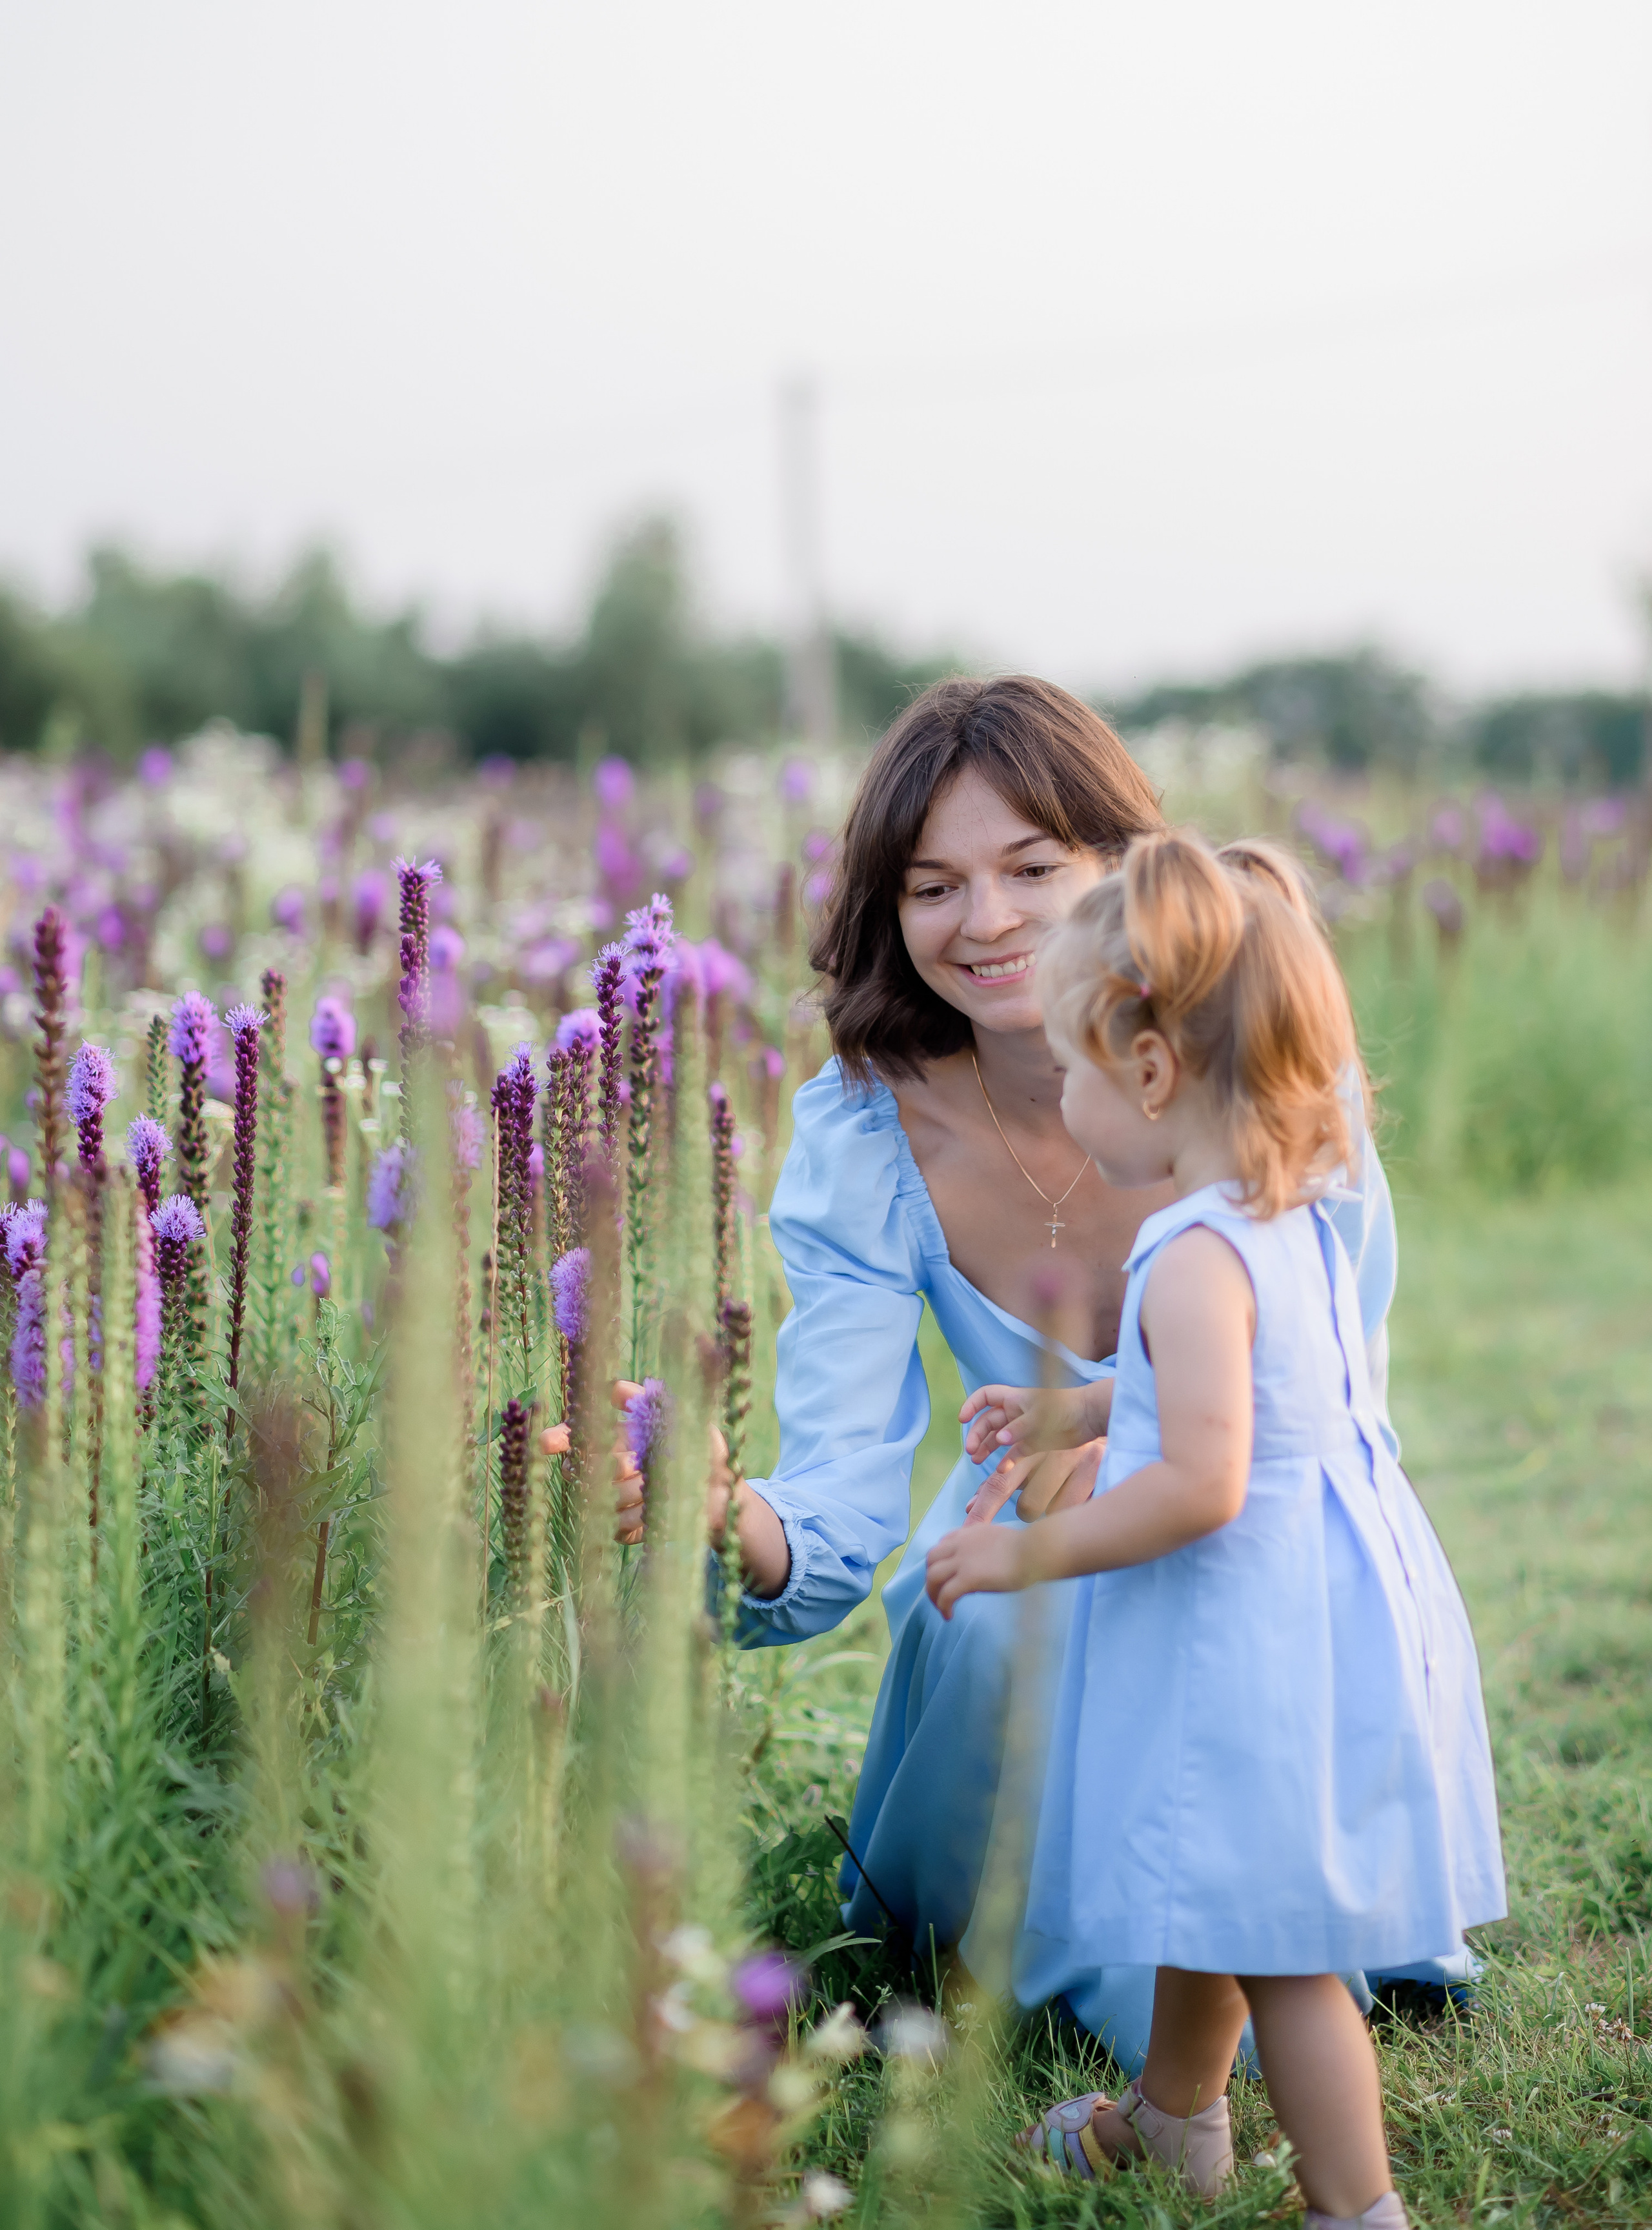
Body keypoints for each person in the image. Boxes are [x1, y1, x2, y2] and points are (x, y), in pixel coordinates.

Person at [693, 676, 1466, 2071]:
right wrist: (726, 1520)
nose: (982, 921)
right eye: (930, 885)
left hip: (1262, 1524)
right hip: (1019, 1561)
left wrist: (1134, 1452)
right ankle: (1077, 1962)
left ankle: (1242, 1975)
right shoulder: (864, 1134)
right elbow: (840, 1491)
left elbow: (1336, 1392)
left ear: (1126, 866)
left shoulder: (1273, 1064)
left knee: (1233, 1610)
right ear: (889, 909)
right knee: (1007, 1610)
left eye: (1031, 868)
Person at [923, 831, 1504, 2224]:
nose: (1058, 1095)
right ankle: (1174, 2119)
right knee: (1221, 1882)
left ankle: (1352, 2206)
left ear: (1145, 1071)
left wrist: (1018, 1553)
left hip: (1245, 1629)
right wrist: (1078, 1408)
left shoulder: (1186, 1251)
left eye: (1070, 1064)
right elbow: (1230, 1393)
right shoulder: (1275, 1215)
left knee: (1285, 1950)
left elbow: (1199, 1482)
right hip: (1314, 1615)